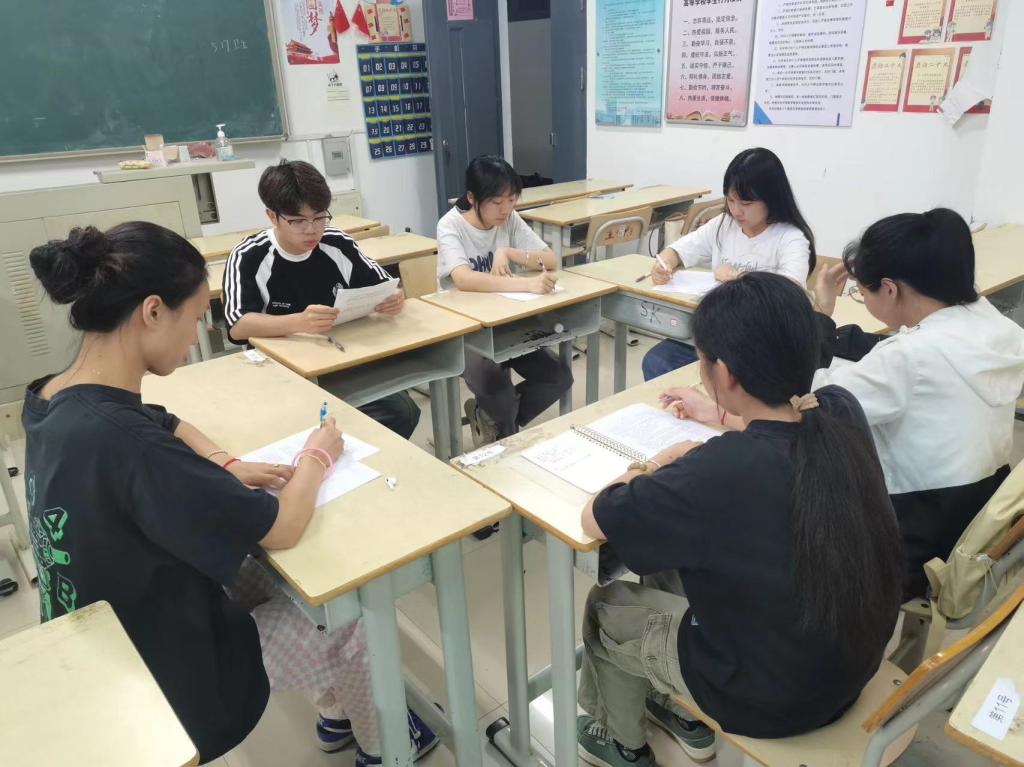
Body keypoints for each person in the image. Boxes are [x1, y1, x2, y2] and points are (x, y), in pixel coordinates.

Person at [24, 222, 437, 765]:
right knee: (349, 616)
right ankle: (388, 750)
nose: (197, 335)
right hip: (159, 677)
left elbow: (163, 420)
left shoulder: (55, 398)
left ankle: (339, 713)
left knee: (268, 577)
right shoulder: (131, 446)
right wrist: (316, 456)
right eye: (196, 317)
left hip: (99, 636)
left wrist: (226, 462)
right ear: (153, 312)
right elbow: (283, 526)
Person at [576, 272, 903, 767]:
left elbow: (595, 517)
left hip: (767, 700)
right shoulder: (840, 410)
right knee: (679, 563)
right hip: (849, 668)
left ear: (724, 373)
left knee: (607, 606)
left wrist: (654, 464)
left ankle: (621, 743)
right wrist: (708, 437)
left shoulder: (720, 470)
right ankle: (677, 711)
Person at [811, 209, 1024, 598]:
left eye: (861, 291)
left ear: (890, 289)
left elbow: (817, 399)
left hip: (911, 545)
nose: (861, 299)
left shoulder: (907, 358)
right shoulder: (999, 328)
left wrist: (821, 314)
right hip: (974, 519)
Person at [223, 160, 420, 439]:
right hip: (283, 371)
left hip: (342, 358)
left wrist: (394, 298)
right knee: (303, 426)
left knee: (403, 411)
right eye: (298, 221)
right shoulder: (250, 255)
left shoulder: (335, 241)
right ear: (272, 216)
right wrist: (299, 322)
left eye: (319, 217)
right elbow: (238, 326)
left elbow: (384, 285)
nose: (311, 230)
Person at [641, 147, 816, 380]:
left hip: (761, 345)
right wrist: (664, 264)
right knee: (656, 361)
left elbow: (789, 296)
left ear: (771, 198)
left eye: (746, 203)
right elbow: (681, 249)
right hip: (718, 335)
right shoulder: (724, 224)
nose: (736, 210)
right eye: (731, 200)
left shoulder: (790, 238)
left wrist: (739, 279)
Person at [437, 155, 573, 447]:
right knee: (500, 394)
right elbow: (463, 279)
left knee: (559, 377)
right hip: (463, 332)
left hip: (504, 323)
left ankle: (493, 422)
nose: (505, 209)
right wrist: (526, 283)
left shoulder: (508, 219)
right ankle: (502, 427)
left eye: (511, 200)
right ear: (472, 198)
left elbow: (550, 259)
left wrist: (509, 253)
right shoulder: (451, 225)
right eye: (496, 202)